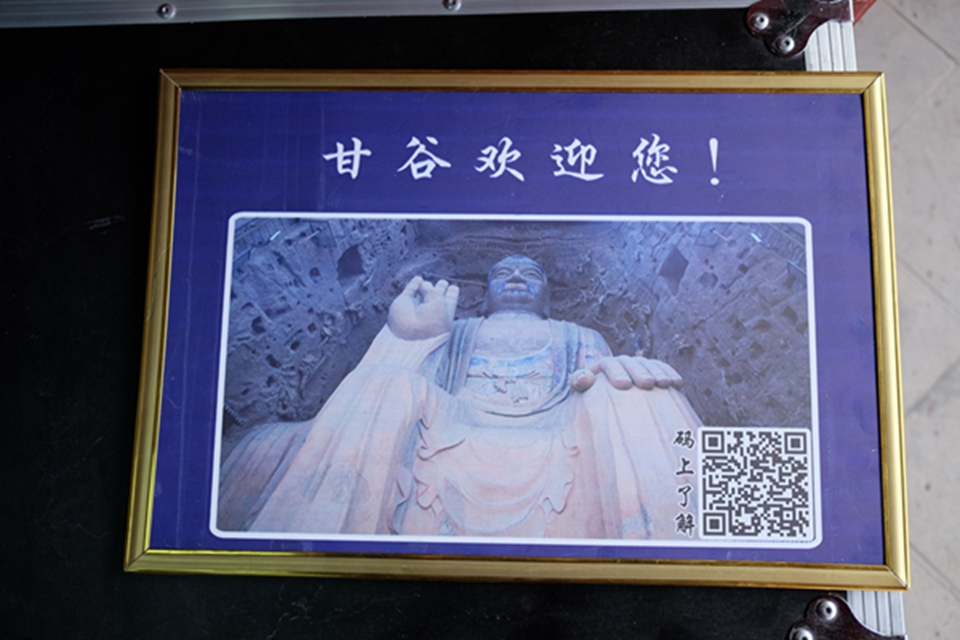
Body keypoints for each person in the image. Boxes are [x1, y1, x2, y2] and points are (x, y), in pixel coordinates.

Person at [218, 255, 702, 539]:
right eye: (503, 273)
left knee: (635, 389)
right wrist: (408, 340)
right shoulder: (460, 330)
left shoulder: (578, 333)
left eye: (530, 274)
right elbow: (411, 386)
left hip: (555, 426)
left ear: (549, 297)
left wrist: (616, 372)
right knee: (385, 382)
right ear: (484, 295)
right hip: (453, 421)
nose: (517, 277)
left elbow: (589, 383)